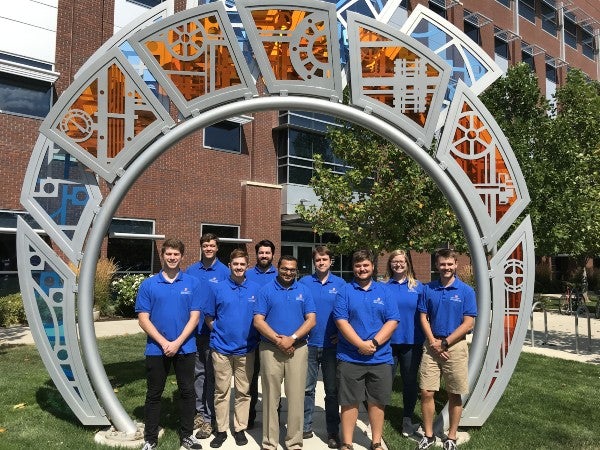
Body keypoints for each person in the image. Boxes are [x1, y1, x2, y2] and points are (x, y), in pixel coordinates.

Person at [135, 238, 203, 450]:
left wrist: (177, 342)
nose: (172, 258)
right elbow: (143, 319)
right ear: (163, 255)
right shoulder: (149, 284)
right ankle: (150, 439)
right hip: (156, 349)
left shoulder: (192, 283)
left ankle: (187, 436)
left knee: (187, 392)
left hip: (186, 347)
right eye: (168, 254)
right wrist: (165, 342)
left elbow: (195, 317)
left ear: (182, 257)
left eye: (176, 254)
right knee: (154, 394)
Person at [333, 249, 399, 450]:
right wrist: (360, 345)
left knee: (377, 402)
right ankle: (347, 442)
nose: (362, 269)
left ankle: (376, 441)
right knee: (349, 402)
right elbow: (341, 321)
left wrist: (374, 344)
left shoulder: (385, 291)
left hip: (380, 357)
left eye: (365, 265)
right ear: (353, 267)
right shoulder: (345, 291)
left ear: (372, 266)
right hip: (350, 356)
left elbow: (392, 320)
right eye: (358, 265)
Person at [416, 249, 477, 450]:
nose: (446, 267)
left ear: (456, 264)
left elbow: (468, 323)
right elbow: (423, 316)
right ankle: (429, 434)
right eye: (442, 264)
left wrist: (445, 343)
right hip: (431, 345)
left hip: (455, 347)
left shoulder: (466, 291)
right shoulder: (428, 289)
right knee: (426, 391)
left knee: (454, 393)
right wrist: (434, 341)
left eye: (450, 264)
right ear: (436, 266)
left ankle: (451, 437)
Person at [253, 255, 316, 450]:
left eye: (292, 269)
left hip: (297, 350)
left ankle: (294, 442)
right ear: (278, 268)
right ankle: (270, 442)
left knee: (296, 396)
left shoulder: (304, 291)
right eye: (284, 269)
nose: (288, 272)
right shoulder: (266, 291)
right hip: (270, 350)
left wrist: (292, 338)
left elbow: (311, 320)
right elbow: (258, 321)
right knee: (271, 397)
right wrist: (279, 340)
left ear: (296, 271)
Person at [203, 249, 261, 448]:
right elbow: (209, 316)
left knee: (243, 392)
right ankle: (221, 430)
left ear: (247, 266)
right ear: (230, 266)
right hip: (221, 349)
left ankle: (240, 428)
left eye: (242, 264)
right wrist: (218, 331)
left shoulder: (255, 289)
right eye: (235, 264)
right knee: (221, 391)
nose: (238, 267)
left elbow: (260, 318)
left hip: (247, 349)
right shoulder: (218, 288)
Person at [299, 246, 345, 448]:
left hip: (331, 347)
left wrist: (342, 334)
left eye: (325, 259)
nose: (321, 262)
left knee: (332, 391)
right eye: (318, 260)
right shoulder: (303, 283)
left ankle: (333, 431)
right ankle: (305, 427)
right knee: (307, 389)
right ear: (313, 261)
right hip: (308, 345)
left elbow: (348, 313)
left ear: (330, 261)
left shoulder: (341, 284)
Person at [186, 233, 230, 439]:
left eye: (212, 245)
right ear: (201, 247)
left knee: (213, 376)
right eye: (205, 245)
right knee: (198, 373)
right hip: (194, 333)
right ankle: (199, 412)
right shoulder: (191, 271)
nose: (208, 248)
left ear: (217, 248)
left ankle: (210, 418)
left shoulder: (224, 271)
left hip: (214, 333)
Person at [385, 250, 425, 438]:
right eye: (394, 261)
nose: (398, 264)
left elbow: (427, 314)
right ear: (390, 264)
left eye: (401, 261)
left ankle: (407, 419)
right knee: (385, 381)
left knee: (409, 382)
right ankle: (377, 415)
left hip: (412, 342)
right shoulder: (383, 286)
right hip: (388, 343)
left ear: (407, 263)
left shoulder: (418, 287)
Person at [245, 239, 278, 428]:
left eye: (267, 252)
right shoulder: (248, 275)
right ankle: (249, 417)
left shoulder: (280, 275)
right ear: (256, 254)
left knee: (272, 380)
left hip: (272, 337)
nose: (264, 255)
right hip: (251, 337)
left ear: (273, 254)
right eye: (261, 252)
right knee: (250, 380)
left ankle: (273, 418)